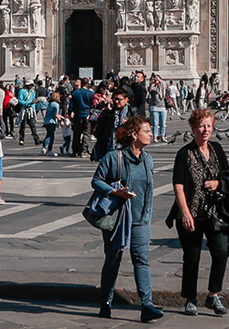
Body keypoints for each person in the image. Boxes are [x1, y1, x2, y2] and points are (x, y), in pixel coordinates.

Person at [91, 116, 163, 322]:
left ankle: (147, 306)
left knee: (141, 260)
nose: (151, 134)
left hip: (141, 218)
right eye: (146, 131)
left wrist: (147, 214)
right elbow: (96, 181)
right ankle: (105, 302)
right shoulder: (114, 157)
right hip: (118, 218)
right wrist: (115, 192)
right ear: (134, 134)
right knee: (113, 260)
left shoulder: (148, 158)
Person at [169, 109, 229, 316]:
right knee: (192, 256)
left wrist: (218, 182)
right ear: (193, 128)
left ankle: (213, 295)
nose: (205, 130)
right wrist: (185, 213)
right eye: (201, 126)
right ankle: (190, 298)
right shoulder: (184, 153)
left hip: (215, 212)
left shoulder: (217, 149)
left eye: (209, 125)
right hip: (192, 213)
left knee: (221, 251)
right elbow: (178, 185)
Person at [92, 88, 133, 161]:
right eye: (115, 99)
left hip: (126, 147)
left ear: (126, 99)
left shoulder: (131, 112)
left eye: (119, 99)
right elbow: (100, 122)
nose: (117, 102)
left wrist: (129, 124)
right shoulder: (110, 112)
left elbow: (138, 128)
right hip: (109, 146)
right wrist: (107, 111)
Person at [70, 78, 95, 157]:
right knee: (86, 133)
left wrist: (70, 113)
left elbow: (71, 106)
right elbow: (93, 105)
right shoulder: (90, 93)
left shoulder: (75, 93)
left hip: (77, 115)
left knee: (76, 133)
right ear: (88, 84)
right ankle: (84, 151)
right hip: (87, 114)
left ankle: (75, 150)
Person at [43, 91, 68, 156]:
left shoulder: (50, 104)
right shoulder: (56, 105)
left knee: (48, 135)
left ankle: (44, 148)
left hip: (47, 121)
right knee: (52, 136)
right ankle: (49, 150)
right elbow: (56, 114)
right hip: (52, 121)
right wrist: (62, 119)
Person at [17, 80, 40, 146]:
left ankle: (36, 139)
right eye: (31, 85)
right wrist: (28, 103)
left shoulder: (32, 92)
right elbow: (20, 100)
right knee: (23, 126)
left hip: (30, 110)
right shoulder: (22, 91)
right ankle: (21, 139)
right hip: (24, 110)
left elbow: (33, 99)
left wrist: (34, 106)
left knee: (33, 125)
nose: (32, 86)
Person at [148, 76, 168, 143]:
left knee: (163, 123)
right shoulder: (153, 88)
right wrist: (151, 83)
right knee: (155, 124)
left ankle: (162, 136)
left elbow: (163, 83)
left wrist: (158, 79)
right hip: (155, 108)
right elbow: (149, 90)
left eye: (157, 79)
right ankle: (155, 137)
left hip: (163, 107)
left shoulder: (162, 87)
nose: (156, 80)